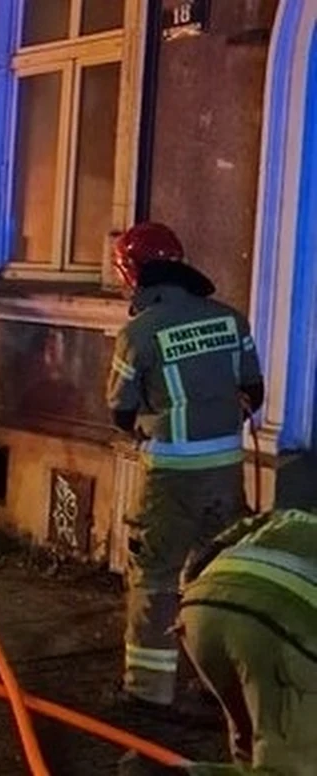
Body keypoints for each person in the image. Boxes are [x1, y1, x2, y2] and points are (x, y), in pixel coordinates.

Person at [105, 222, 264, 715]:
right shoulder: (230, 320)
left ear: (133, 274)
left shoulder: (138, 334)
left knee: (155, 573)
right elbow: (254, 391)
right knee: (216, 571)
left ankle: (148, 691)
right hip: (227, 469)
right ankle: (218, 687)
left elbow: (120, 410)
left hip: (172, 476)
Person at [119, 508, 317, 775]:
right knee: (293, 768)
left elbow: (212, 550)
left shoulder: (289, 517)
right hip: (282, 627)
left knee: (251, 748)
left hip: (202, 609)